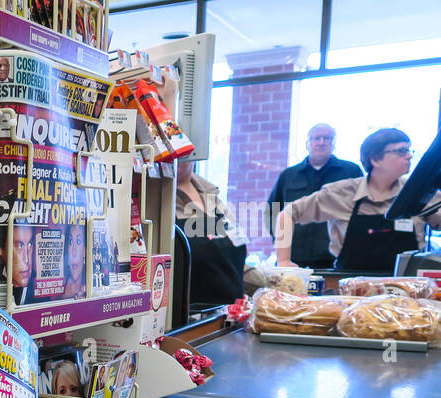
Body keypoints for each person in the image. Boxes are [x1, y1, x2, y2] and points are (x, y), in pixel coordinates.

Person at [276, 128, 441, 273]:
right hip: (350, 290)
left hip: (407, 290)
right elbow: (287, 214)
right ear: (375, 159)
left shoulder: (421, 190)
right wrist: (283, 260)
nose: (409, 156)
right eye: (400, 151)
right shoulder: (341, 192)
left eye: (409, 150)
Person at [265, 124, 360, 270]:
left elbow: (361, 213)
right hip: (293, 259)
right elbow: (273, 210)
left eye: (327, 138)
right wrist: (280, 244)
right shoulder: (289, 175)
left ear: (333, 143)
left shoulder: (350, 172)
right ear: (307, 143)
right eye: (316, 138)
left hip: (333, 259)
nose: (321, 142)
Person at [175, 161, 245, 307]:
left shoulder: (211, 193)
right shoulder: (156, 197)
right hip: (188, 320)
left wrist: (266, 284)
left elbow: (237, 247)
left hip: (229, 315)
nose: (176, 156)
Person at [62, 225, 86, 298]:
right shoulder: (57, 294)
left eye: (78, 241)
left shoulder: (88, 288)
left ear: (85, 251)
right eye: (71, 241)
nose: (74, 252)